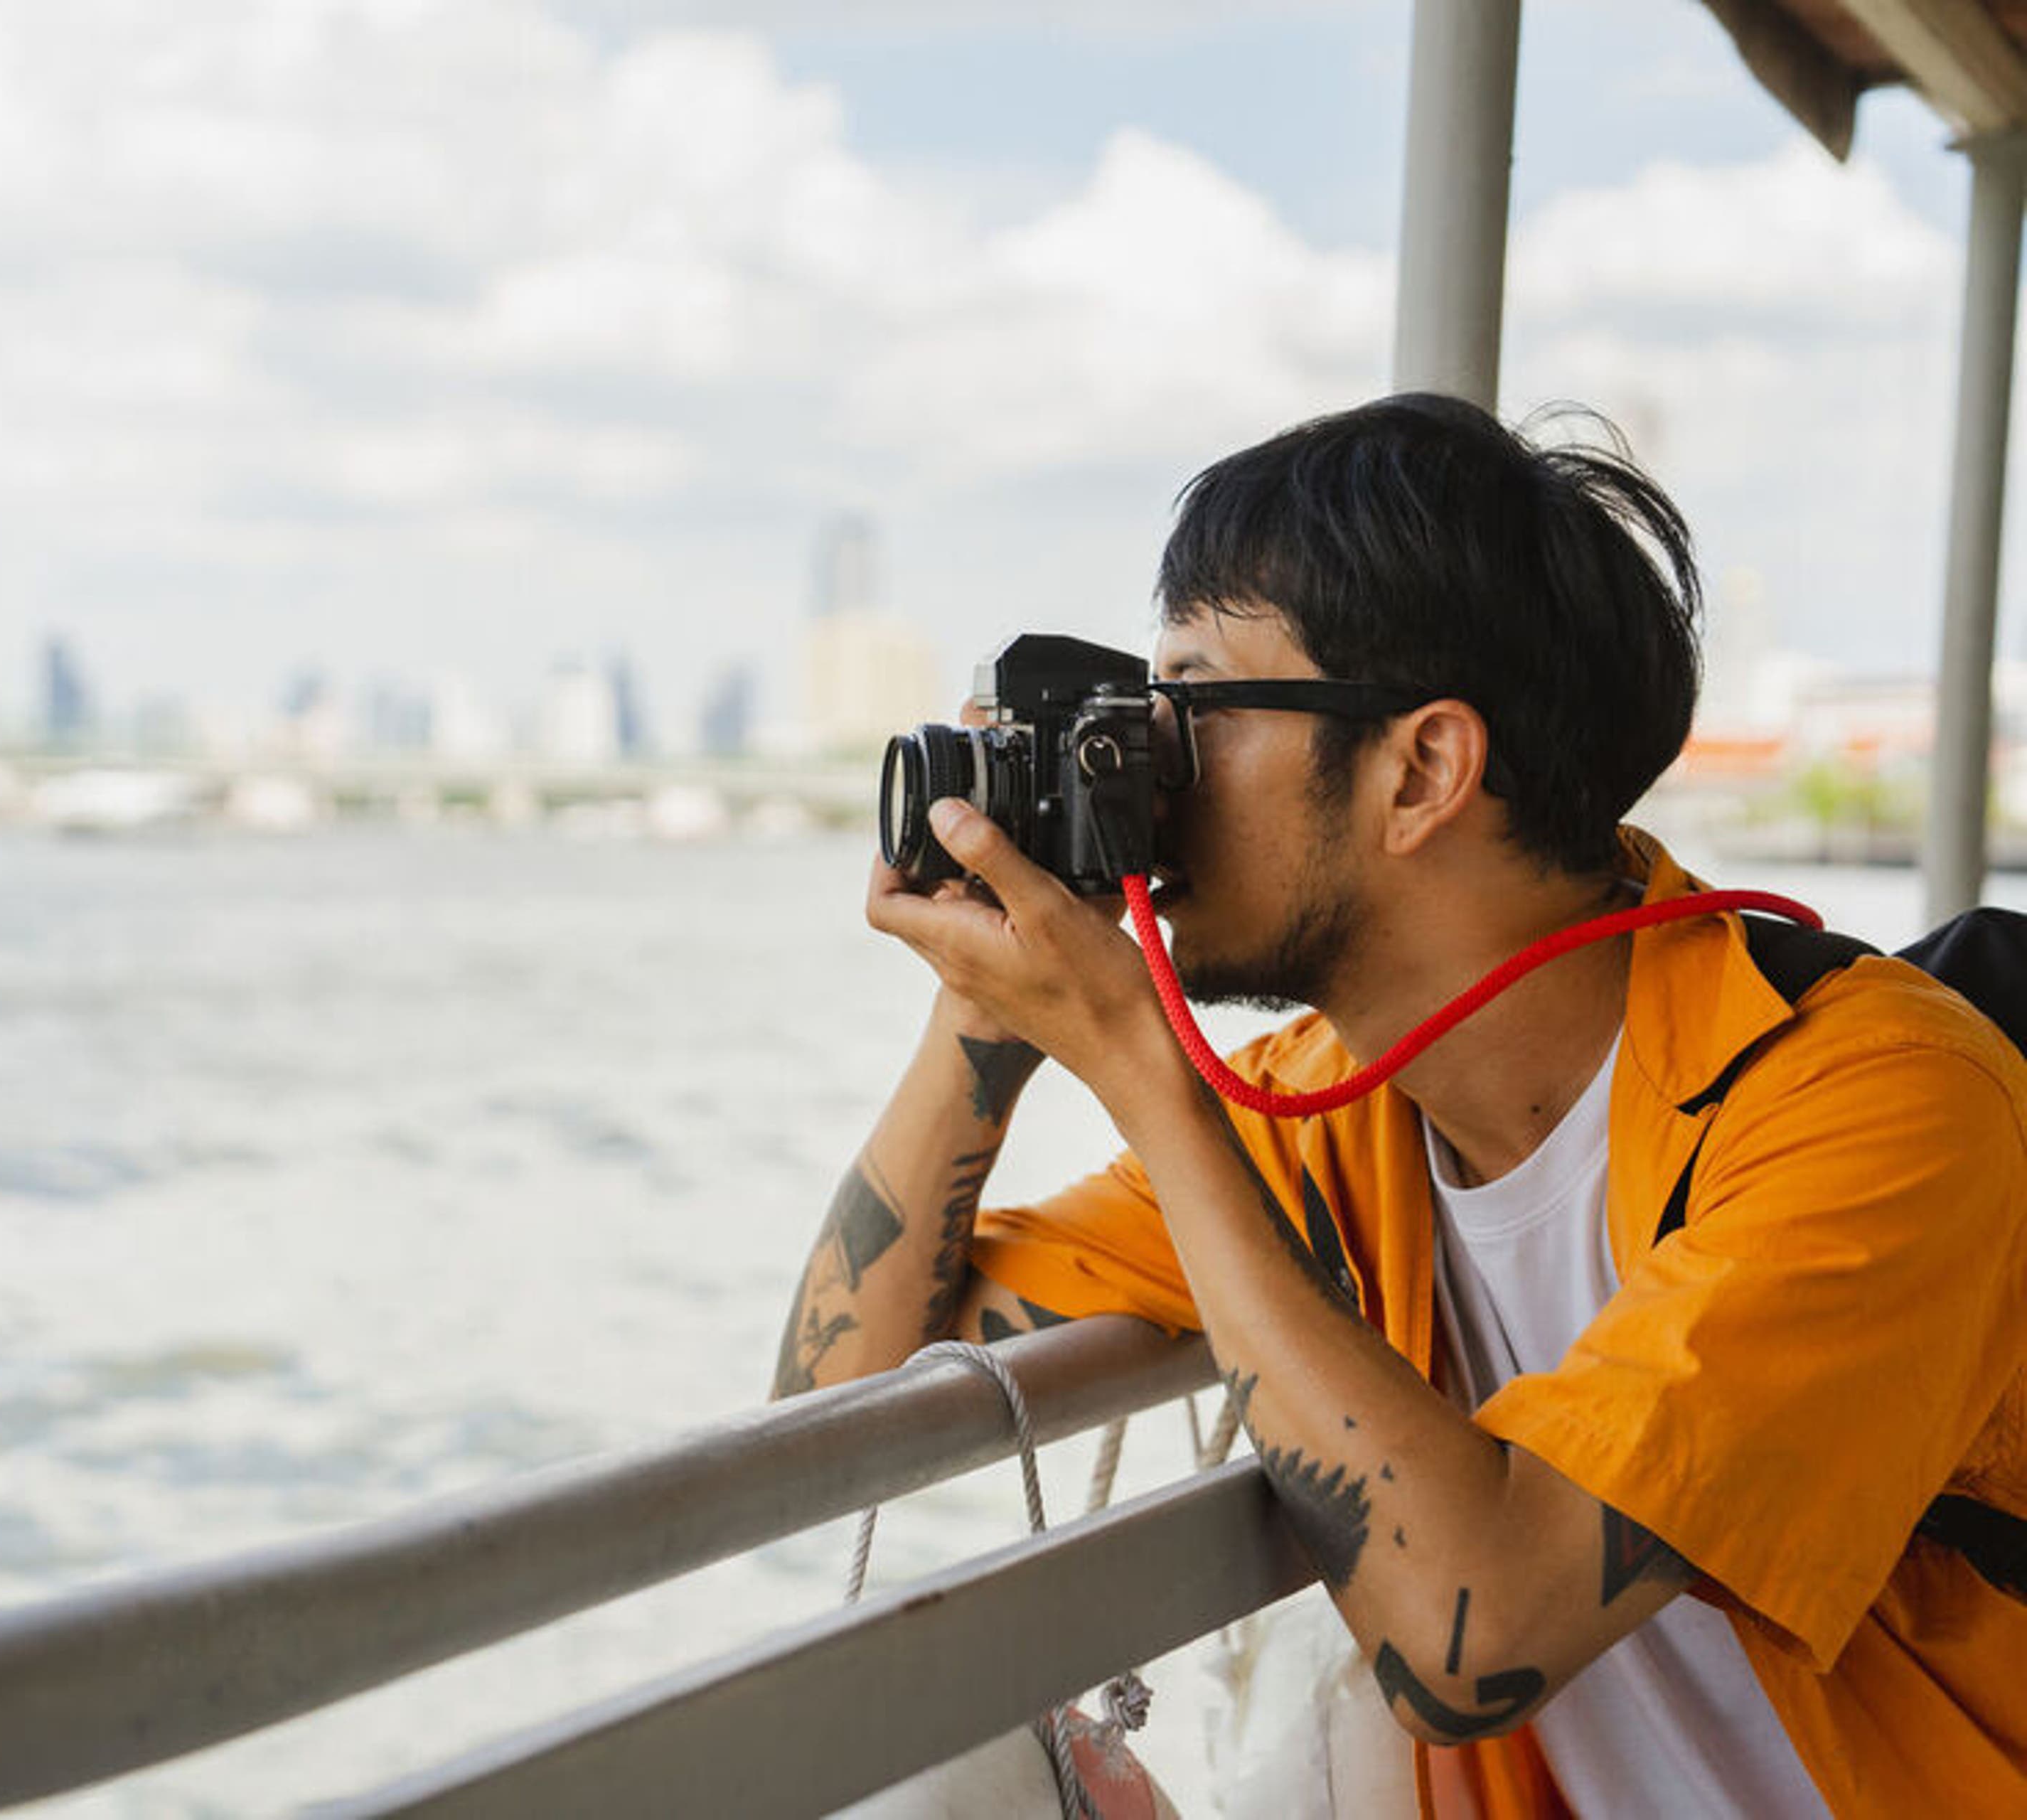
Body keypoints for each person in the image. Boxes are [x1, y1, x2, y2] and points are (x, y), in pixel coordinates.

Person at [773, 394, 2027, 1816]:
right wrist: (984, 1017)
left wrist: (1134, 1061)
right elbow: (837, 1414)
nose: (1146, 773)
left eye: (1188, 708)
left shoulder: (1877, 1101)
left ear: (1422, 767)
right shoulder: (1327, 1109)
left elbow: (1468, 1640)